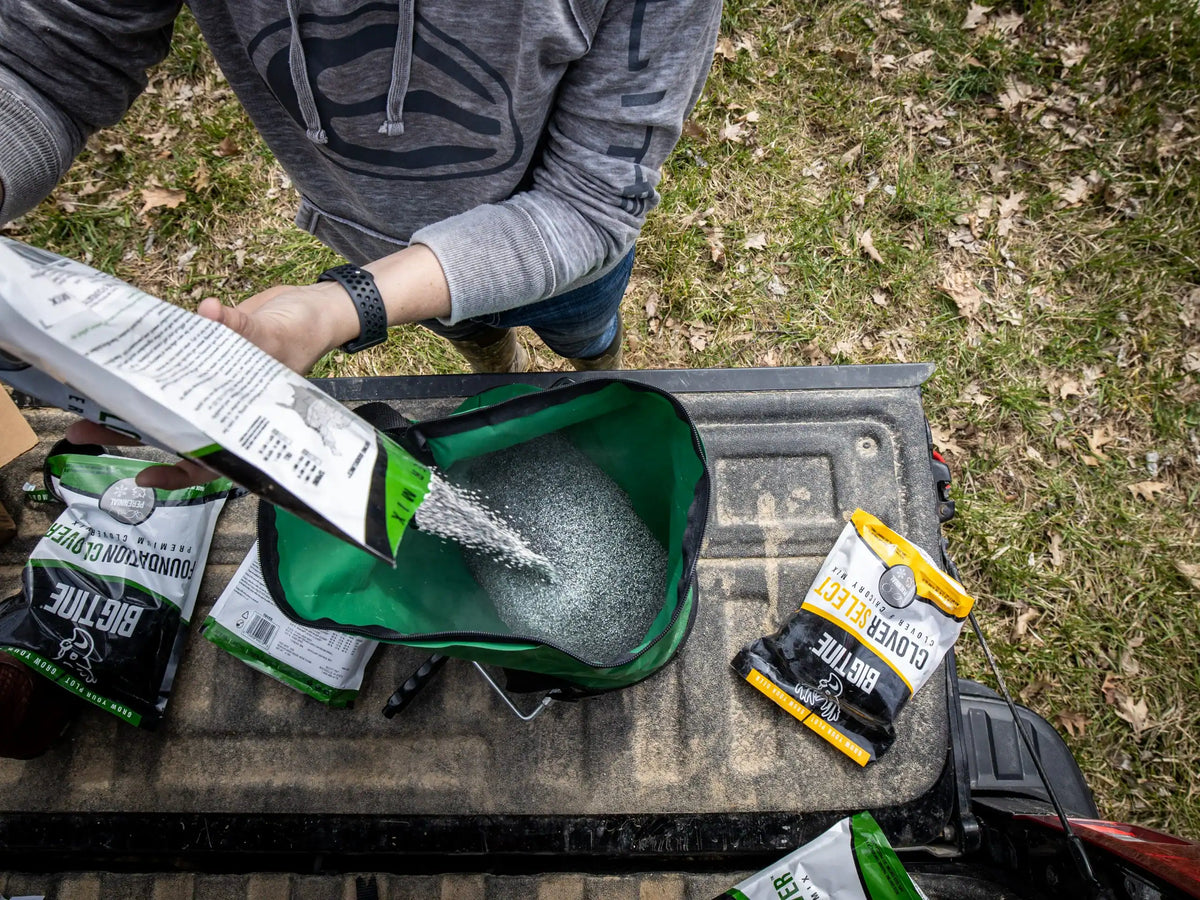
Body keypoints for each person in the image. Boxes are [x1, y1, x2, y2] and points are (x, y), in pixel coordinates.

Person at [0, 0, 722, 381]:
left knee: (586, 331)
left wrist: (343, 307)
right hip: (383, 252)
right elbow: (46, 56)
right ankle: (496, 366)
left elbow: (589, 202)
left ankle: (594, 370)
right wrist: (355, 300)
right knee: (467, 330)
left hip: (569, 266)